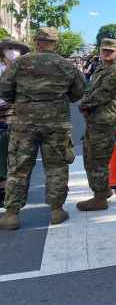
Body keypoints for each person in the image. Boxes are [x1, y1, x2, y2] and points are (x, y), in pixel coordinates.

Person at [0, 28, 85, 230]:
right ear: (55, 43)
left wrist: (23, 101)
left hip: (24, 123)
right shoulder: (66, 66)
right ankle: (56, 210)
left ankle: (12, 215)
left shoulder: (20, 63)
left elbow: (4, 90)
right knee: (56, 167)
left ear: (36, 41)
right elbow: (78, 92)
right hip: (56, 123)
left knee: (18, 168)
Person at [76, 38, 116, 211]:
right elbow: (91, 90)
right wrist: (85, 103)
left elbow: (102, 94)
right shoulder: (101, 67)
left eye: (110, 51)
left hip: (104, 121)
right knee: (90, 157)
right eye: (104, 50)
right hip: (97, 120)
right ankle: (104, 190)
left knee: (97, 160)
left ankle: (99, 199)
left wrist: (84, 105)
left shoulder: (115, 70)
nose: (106, 53)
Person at [0, 41, 29, 207]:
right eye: (9, 49)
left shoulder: (24, 71)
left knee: (14, 158)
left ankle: (8, 193)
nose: (12, 52)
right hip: (3, 118)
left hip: (18, 119)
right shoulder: (1, 69)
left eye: (16, 49)